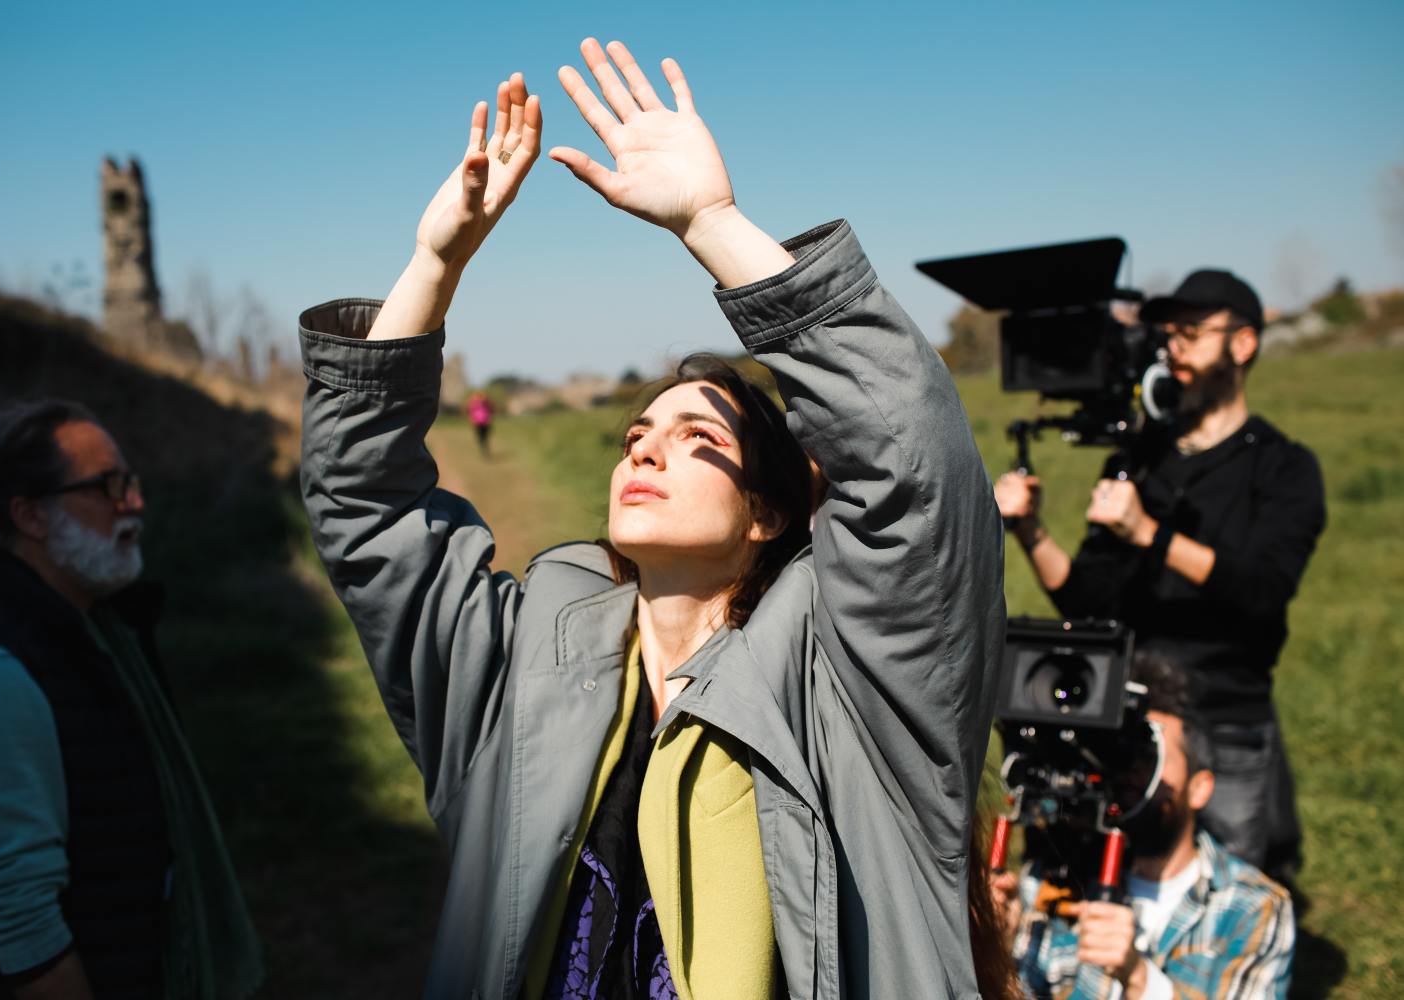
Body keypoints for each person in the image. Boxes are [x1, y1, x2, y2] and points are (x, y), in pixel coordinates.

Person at [299, 40, 1005, 999]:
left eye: (695, 437)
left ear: (766, 514)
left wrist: (713, 224)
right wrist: (434, 264)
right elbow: (363, 508)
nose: (644, 450)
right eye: (637, 435)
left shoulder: (856, 686)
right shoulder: (514, 679)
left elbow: (911, 458)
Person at [0, 399, 263, 999]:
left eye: (131, 483)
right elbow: (22, 926)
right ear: (30, 516)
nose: (134, 503)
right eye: (108, 487)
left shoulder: (91, 629)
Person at [993, 268, 1325, 883]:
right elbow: (1086, 598)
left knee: (1227, 891)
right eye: (1170, 335)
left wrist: (1149, 533)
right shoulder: (1141, 462)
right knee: (1101, 882)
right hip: (1123, 713)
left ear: (1243, 344)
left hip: (1223, 720)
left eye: (1192, 334)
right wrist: (1031, 530)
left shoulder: (1284, 467)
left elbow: (1263, 590)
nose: (1174, 349)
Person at [992, 655, 1295, 999]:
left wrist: (1138, 977)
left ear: (1199, 787)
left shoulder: (1253, 906)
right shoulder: (1056, 881)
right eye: (1124, 753)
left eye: (1150, 754)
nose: (1132, 770)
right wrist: (997, 947)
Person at [467, 390, 495, 456]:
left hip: (486, 422)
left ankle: (485, 448)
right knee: (480, 437)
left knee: (485, 436)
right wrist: (472, 419)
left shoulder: (487, 403)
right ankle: (483, 449)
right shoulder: (474, 403)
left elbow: (491, 410)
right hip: (477, 423)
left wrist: (490, 418)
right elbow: (470, 411)